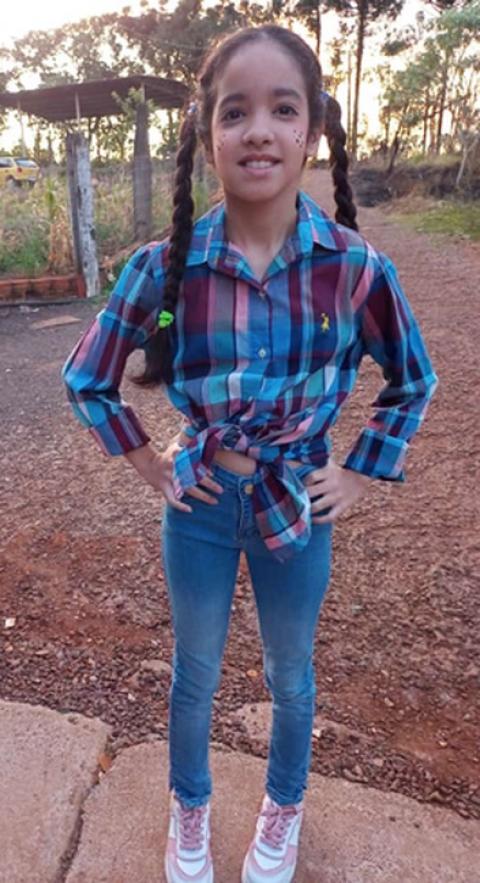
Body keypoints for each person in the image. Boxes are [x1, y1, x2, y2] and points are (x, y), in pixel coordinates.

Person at [62, 24, 437, 883]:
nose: (259, 130)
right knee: (193, 673)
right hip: (197, 507)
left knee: (290, 675)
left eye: (283, 109)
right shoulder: (165, 269)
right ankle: (189, 809)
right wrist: (150, 463)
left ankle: (284, 808)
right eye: (236, 112)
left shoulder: (354, 268)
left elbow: (413, 378)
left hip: (297, 505)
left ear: (313, 130)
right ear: (208, 134)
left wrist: (359, 471)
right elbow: (87, 378)